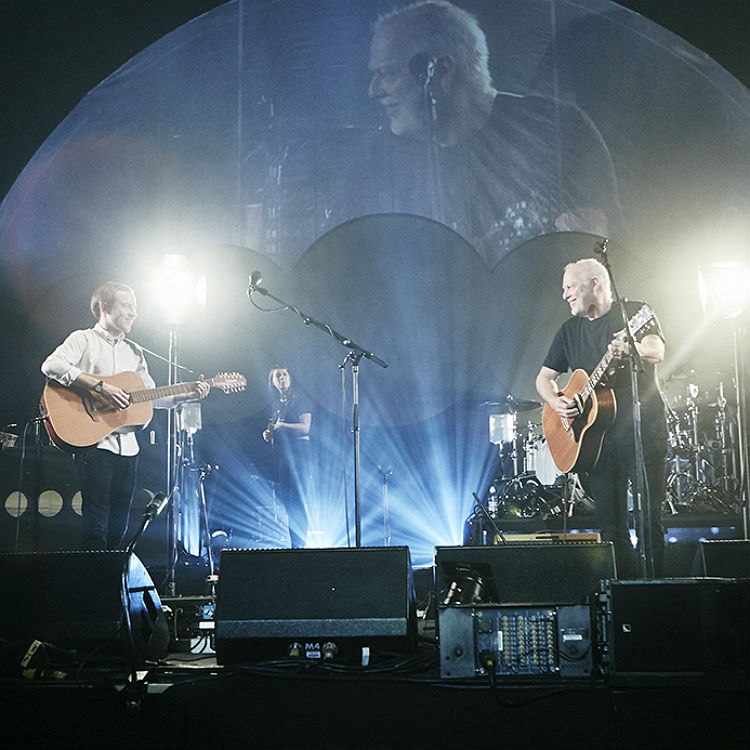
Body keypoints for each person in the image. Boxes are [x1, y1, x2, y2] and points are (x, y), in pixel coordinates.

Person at [329, 0, 621, 267]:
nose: (374, 91)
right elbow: (347, 264)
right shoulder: (377, 167)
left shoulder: (556, 126)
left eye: (388, 73)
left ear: (440, 70)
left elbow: (602, 241)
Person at [41, 281, 210, 550]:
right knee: (96, 527)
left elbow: (151, 396)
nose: (134, 313)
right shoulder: (83, 339)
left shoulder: (135, 352)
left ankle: (109, 584)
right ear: (105, 307)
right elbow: (51, 365)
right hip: (95, 444)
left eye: (135, 307)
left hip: (128, 450)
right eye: (127, 306)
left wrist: (185, 395)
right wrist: (98, 386)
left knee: (119, 529)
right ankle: (94, 585)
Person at [535, 258, 668, 578]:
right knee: (611, 531)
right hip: (597, 445)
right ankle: (624, 600)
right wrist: (556, 401)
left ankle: (659, 596)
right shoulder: (568, 331)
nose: (564, 294)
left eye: (569, 286)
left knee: (650, 525)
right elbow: (544, 378)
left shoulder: (634, 312)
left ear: (595, 282)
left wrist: (631, 349)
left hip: (643, 434)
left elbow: (656, 350)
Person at [262, 366, 313, 548]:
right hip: (283, 456)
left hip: (299, 455)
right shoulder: (276, 404)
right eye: (278, 375)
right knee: (288, 502)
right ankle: (294, 544)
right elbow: (272, 427)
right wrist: (269, 434)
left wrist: (283, 426)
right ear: (273, 382)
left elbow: (305, 427)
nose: (282, 378)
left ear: (290, 377)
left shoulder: (300, 398)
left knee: (299, 501)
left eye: (284, 374)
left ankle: (301, 545)